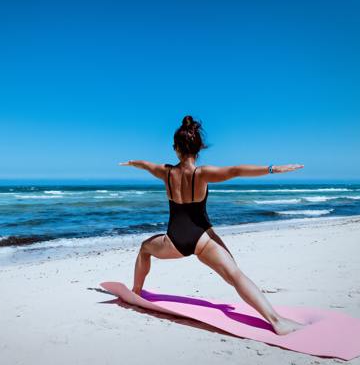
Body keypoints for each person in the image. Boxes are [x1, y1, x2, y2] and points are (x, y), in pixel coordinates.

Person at [119, 115, 305, 335]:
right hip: (202, 240)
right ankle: (277, 322)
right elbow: (236, 171)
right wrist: (272, 169)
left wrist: (132, 163)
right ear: (198, 148)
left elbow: (147, 165)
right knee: (235, 276)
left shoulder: (166, 172)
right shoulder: (202, 174)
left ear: (175, 148)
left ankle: (136, 292)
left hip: (173, 241)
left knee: (144, 249)